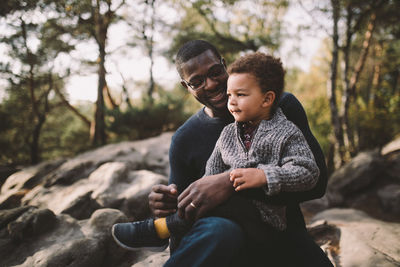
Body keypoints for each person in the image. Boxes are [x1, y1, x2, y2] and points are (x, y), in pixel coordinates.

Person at [127, 40, 332, 266]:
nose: (212, 84)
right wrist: (166, 206)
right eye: (197, 82)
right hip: (225, 246)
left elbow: (317, 182)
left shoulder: (280, 106)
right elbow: (190, 211)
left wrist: (229, 183)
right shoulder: (185, 139)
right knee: (219, 229)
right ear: (186, 87)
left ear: (224, 65)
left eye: (215, 72)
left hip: (282, 235)